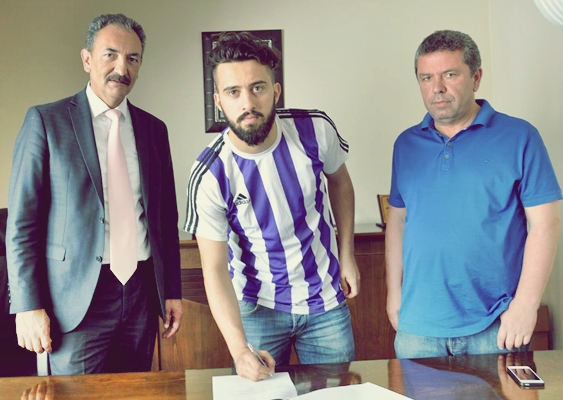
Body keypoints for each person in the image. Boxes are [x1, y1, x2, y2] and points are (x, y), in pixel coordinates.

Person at [6, 13, 183, 375]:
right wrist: (26, 304)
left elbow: (165, 219)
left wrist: (172, 291)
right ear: (87, 59)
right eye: (110, 55)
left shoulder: (154, 130)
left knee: (135, 394)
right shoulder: (46, 121)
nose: (122, 68)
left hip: (141, 294)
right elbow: (22, 223)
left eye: (132, 58)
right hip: (75, 299)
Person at [184, 32, 359, 381]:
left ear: (276, 91)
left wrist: (348, 253)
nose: (247, 102)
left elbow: (340, 182)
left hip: (325, 300)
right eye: (233, 92)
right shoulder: (210, 174)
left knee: (337, 393)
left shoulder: (315, 129)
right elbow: (214, 269)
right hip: (256, 309)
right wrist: (239, 349)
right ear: (219, 101)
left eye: (257, 88)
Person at [386, 29, 562, 359]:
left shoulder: (520, 137)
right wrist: (393, 294)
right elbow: (397, 221)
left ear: (476, 77)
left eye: (450, 74)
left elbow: (546, 223)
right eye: (426, 77)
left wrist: (526, 305)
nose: (437, 88)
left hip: (496, 325)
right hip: (417, 328)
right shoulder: (406, 144)